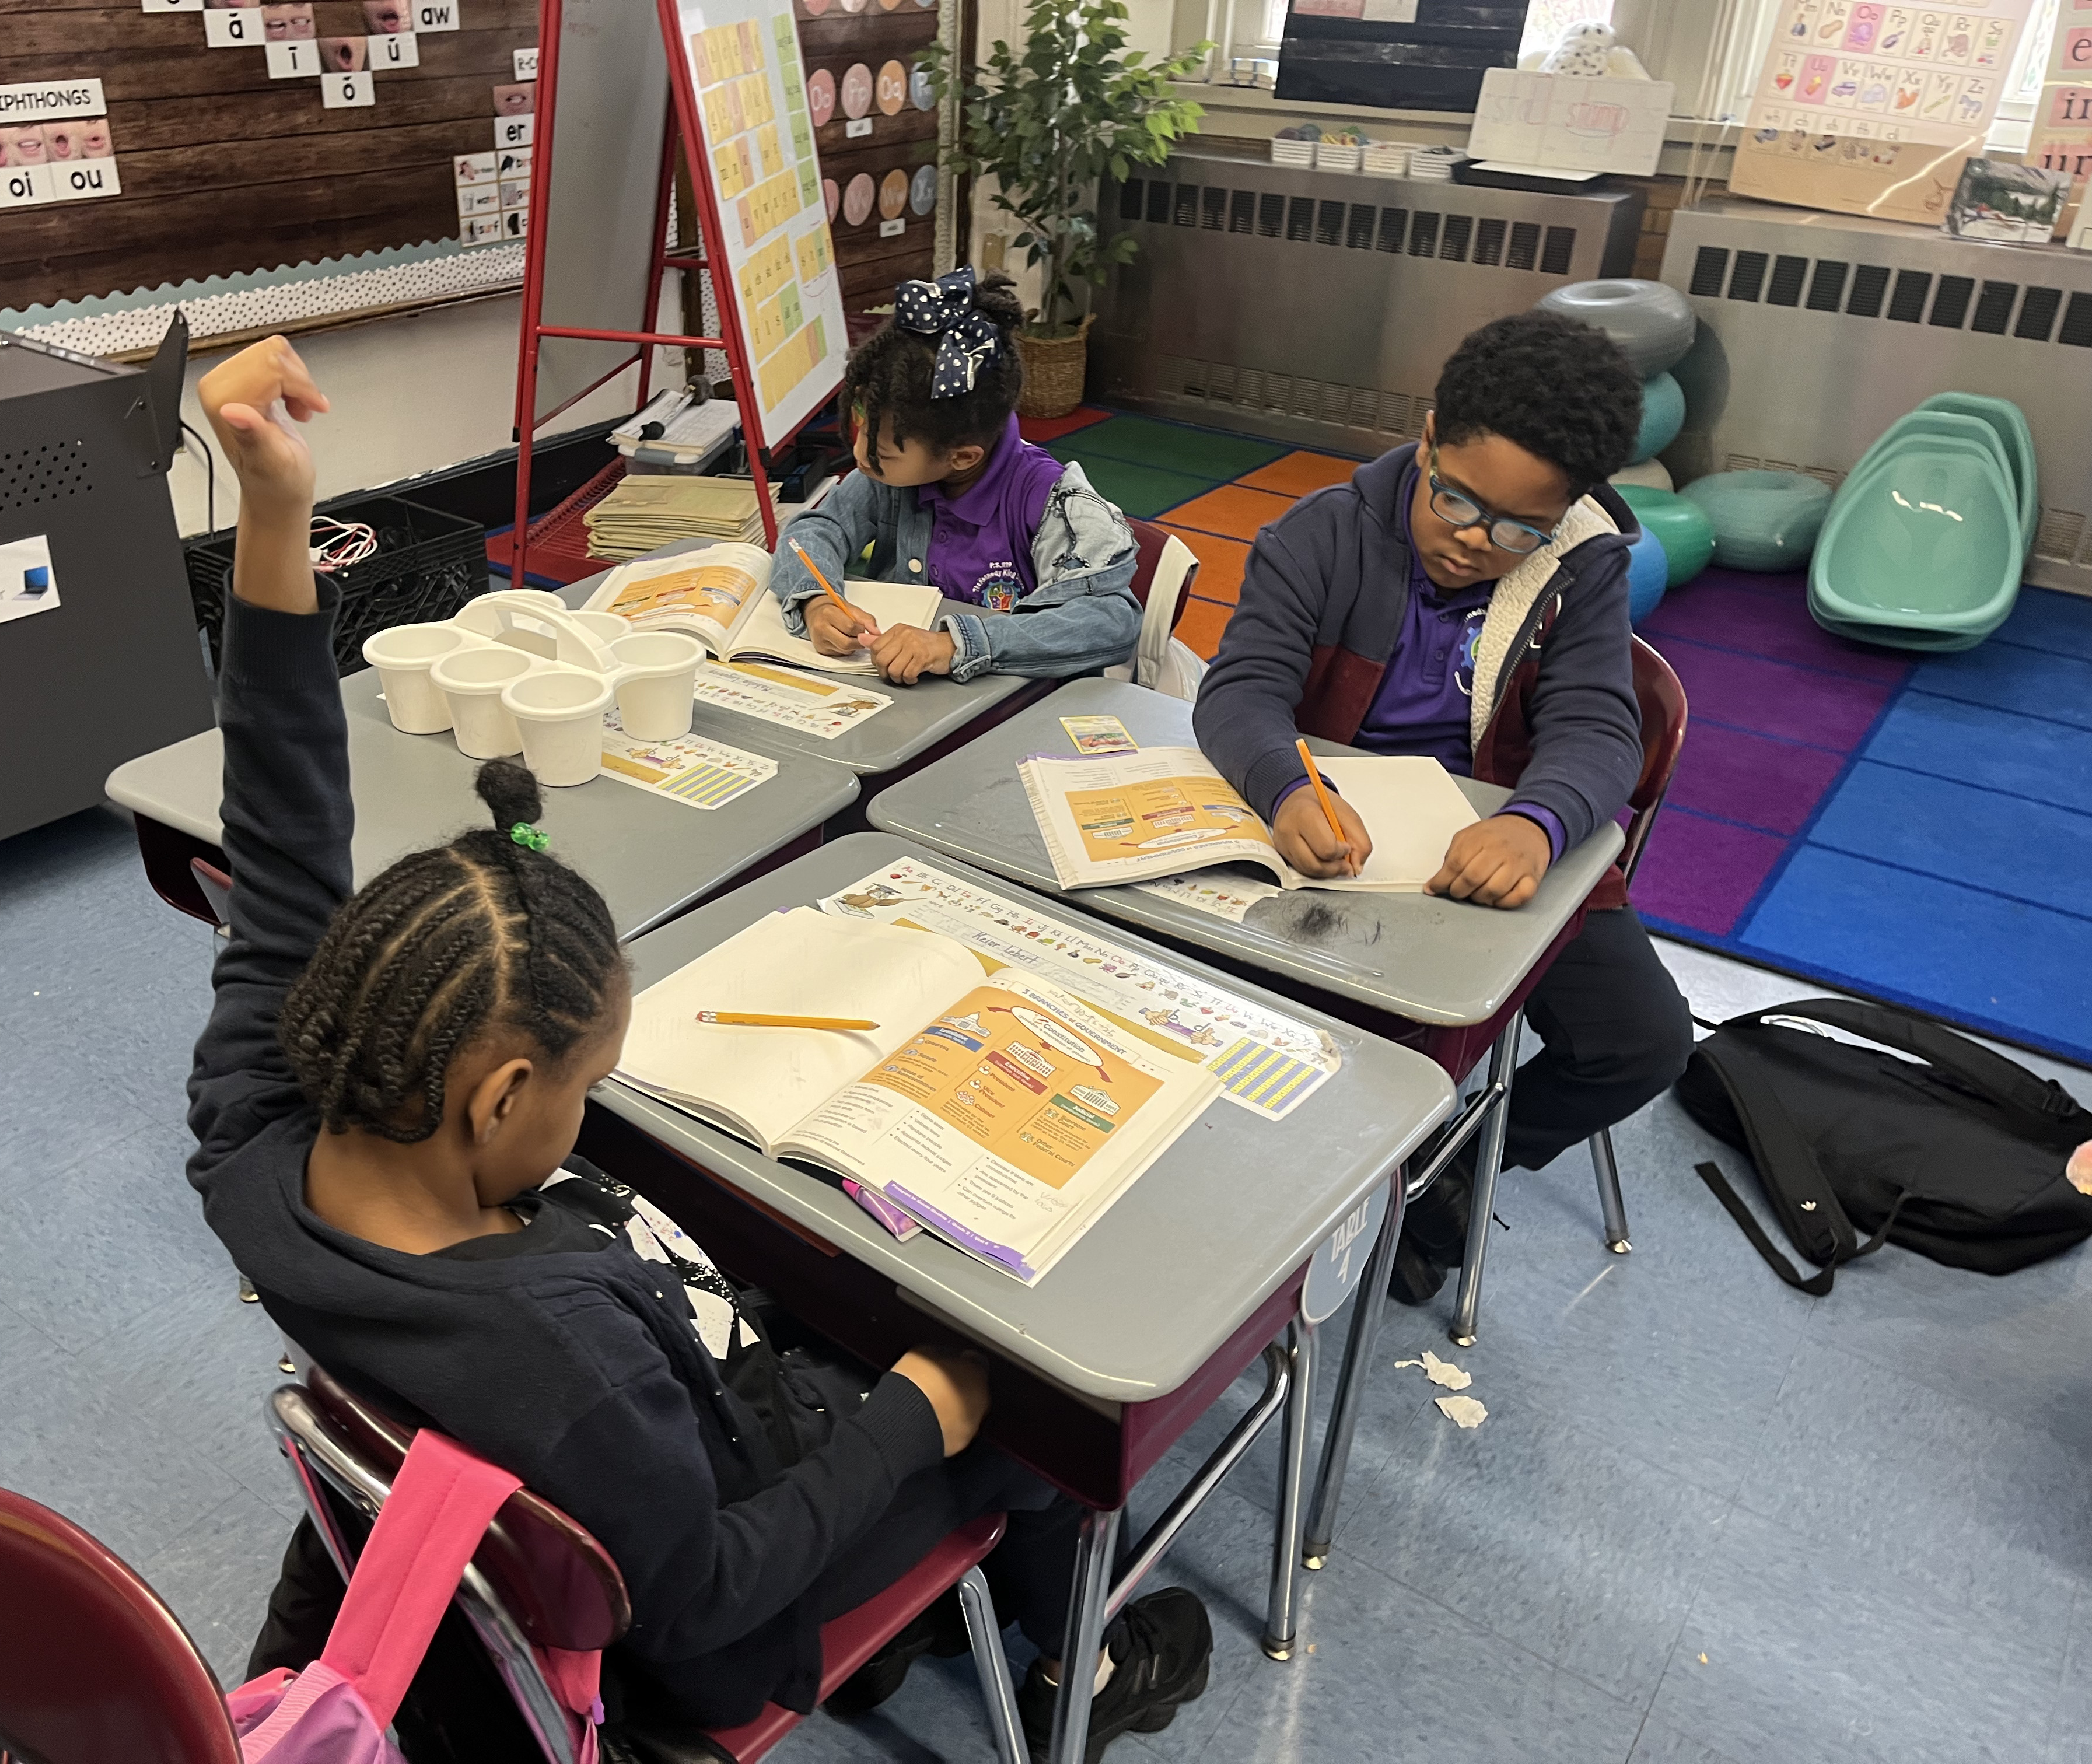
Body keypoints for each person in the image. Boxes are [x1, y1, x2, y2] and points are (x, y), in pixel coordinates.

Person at [183, 335, 1212, 1761]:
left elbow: (281, 834)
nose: (591, 1101)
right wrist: (914, 1421)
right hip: (727, 1626)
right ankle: (1076, 1669)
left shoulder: (255, 1134)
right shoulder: (566, 1365)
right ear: (498, 1098)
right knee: (1035, 1435)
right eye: (585, 1084)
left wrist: (279, 512)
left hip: (651, 1420)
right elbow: (701, 1596)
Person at [1192, 309, 1693, 1302]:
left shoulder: (1579, 569)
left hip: (1482, 860)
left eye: (1518, 526)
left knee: (1644, 1040)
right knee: (1256, 1031)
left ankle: (1445, 1179)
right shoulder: (1322, 533)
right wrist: (1287, 784)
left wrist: (1535, 819)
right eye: (1456, 499)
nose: (1474, 541)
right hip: (1324, 852)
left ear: (1564, 511)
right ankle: (1274, 1193)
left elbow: (1599, 730)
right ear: (1426, 439)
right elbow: (1240, 690)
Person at [765, 268, 1142, 687]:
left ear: (962, 457)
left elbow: (1110, 621)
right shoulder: (889, 479)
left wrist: (953, 646)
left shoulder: (1052, 501)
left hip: (1014, 718)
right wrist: (817, 603)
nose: (861, 457)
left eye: (881, 453)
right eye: (860, 430)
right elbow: (812, 533)